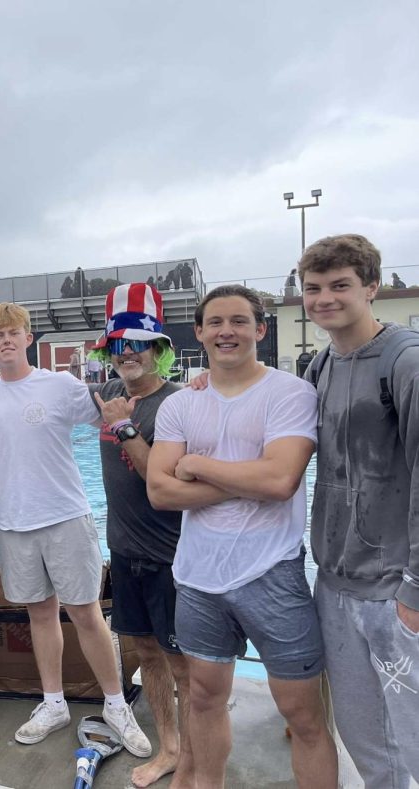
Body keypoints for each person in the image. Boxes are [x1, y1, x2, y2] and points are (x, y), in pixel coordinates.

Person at [147, 285, 336, 789]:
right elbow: (161, 492)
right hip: (198, 579)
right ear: (200, 333)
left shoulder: (289, 394)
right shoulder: (182, 405)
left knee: (303, 715)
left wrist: (197, 465)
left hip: (272, 573)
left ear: (260, 329)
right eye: (215, 322)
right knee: (204, 699)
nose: (225, 331)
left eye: (237, 321)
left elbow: (280, 482)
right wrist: (242, 481)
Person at [0, 303, 151, 755]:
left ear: (28, 338)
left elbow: (114, 410)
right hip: (15, 523)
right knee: (40, 614)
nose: (5, 341)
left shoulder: (60, 386)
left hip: (66, 516)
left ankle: (116, 704)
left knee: (86, 612)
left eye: (13, 333)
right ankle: (53, 703)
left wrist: (190, 388)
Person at [299, 234, 419, 787]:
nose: (325, 298)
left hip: (396, 589)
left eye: (340, 285)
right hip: (336, 582)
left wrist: (414, 590)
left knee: (412, 738)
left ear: (371, 286)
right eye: (314, 287)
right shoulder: (319, 366)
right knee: (363, 735)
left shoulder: (404, 360)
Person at [89, 284, 191, 788]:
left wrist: (127, 428)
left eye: (137, 344)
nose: (127, 353)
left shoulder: (176, 404)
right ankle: (170, 748)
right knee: (147, 655)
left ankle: (195, 752)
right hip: (125, 551)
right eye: (117, 345)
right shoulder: (107, 393)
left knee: (183, 662)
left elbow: (164, 480)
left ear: (158, 350)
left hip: (172, 557)